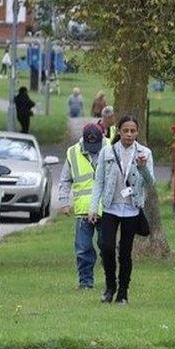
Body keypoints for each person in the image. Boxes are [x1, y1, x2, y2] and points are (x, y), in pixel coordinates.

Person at [89, 116, 155, 305]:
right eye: (125, 130)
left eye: (132, 131)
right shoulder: (107, 152)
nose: (129, 134)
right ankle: (110, 286)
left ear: (137, 132)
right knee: (106, 246)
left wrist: (142, 168)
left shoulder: (145, 153)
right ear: (119, 131)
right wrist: (94, 207)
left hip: (132, 208)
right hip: (110, 206)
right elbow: (99, 181)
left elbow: (150, 184)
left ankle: (123, 293)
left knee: (125, 252)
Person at [58, 123, 104, 289]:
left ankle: (111, 280)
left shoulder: (110, 149)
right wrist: (64, 202)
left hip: (104, 208)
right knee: (83, 248)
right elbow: (65, 179)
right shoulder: (72, 153)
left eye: (96, 145)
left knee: (107, 247)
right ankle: (85, 282)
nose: (93, 148)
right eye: (90, 145)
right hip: (83, 210)